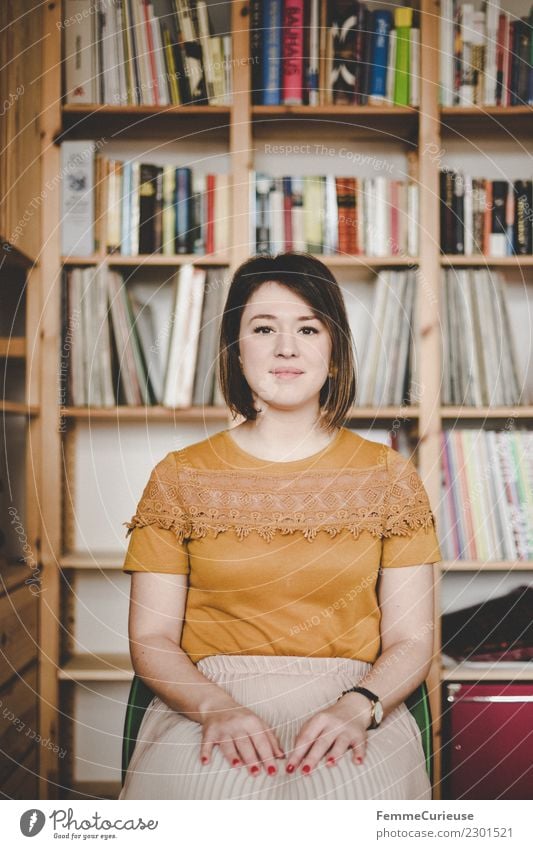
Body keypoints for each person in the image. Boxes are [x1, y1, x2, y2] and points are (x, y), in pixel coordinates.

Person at [118, 252, 442, 800]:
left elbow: (412, 640)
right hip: (207, 696)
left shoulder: (391, 477)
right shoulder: (179, 476)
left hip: (354, 695)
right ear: (236, 352)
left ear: (334, 353)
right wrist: (214, 706)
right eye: (263, 328)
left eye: (308, 328)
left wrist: (358, 706)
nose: (286, 346)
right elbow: (151, 637)